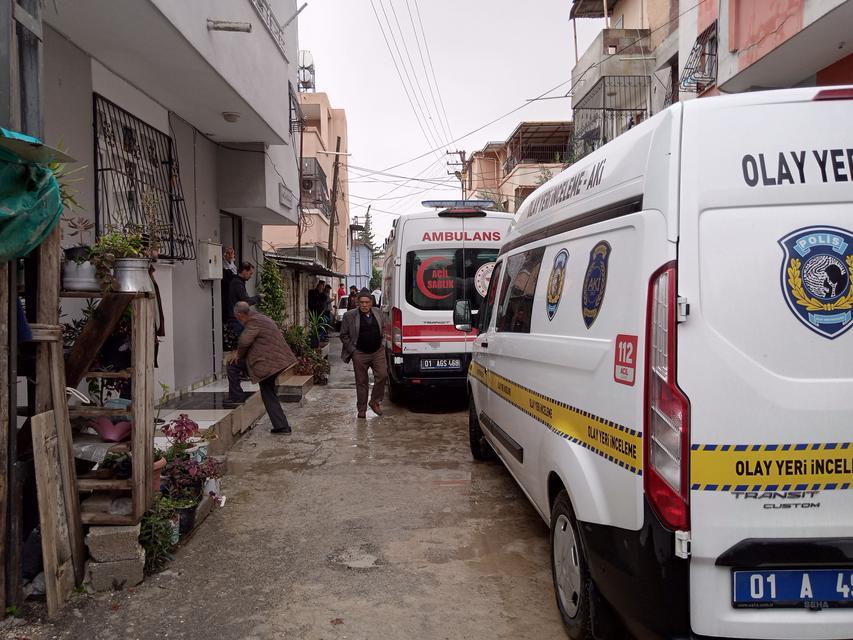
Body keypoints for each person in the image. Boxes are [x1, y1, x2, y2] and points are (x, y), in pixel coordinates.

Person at [227, 302, 296, 433]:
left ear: (240, 315)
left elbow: (244, 341)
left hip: (268, 363)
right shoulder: (260, 317)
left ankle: (237, 397)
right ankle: (281, 425)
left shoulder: (253, 322)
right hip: (275, 361)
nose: (238, 321)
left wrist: (238, 354)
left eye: (237, 318)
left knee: (232, 364)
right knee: (269, 392)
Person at [340, 288, 387, 419]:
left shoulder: (378, 312)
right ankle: (361, 409)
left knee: (382, 376)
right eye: (362, 302)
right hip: (359, 353)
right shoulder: (349, 316)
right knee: (361, 382)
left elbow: (383, 329)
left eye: (367, 302)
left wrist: (382, 343)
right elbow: (343, 335)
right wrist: (353, 351)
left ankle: (374, 401)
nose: (364, 305)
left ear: (371, 303)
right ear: (358, 303)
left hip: (377, 351)